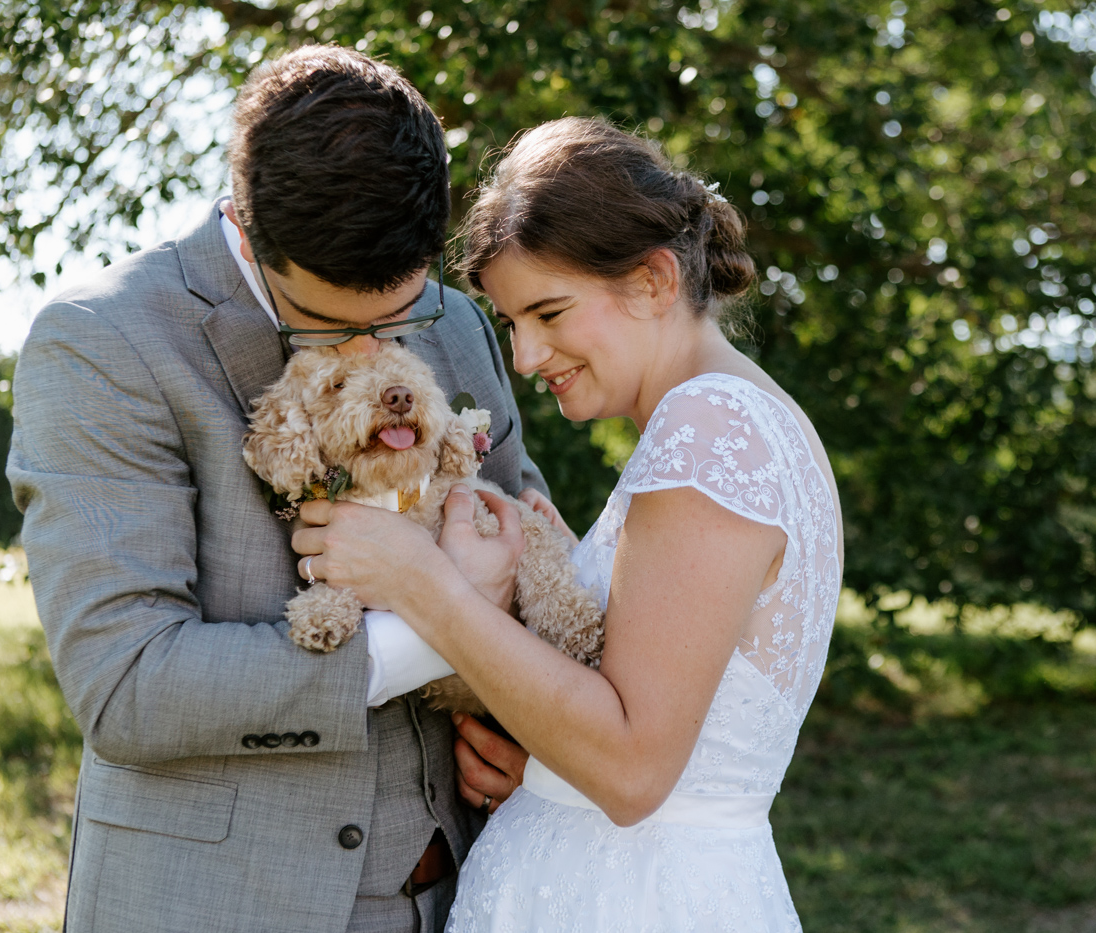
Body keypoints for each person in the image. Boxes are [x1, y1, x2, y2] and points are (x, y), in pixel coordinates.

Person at [7, 46, 554, 933]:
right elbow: (129, 683)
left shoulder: (452, 323)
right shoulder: (102, 343)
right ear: (248, 228)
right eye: (337, 322)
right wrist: (437, 619)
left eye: (399, 314)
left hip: (469, 895)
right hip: (220, 905)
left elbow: (529, 545)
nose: (380, 348)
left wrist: (542, 742)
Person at [294, 116, 844, 931]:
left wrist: (423, 584)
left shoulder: (707, 433)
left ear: (655, 281)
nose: (522, 357)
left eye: (548, 313)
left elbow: (631, 768)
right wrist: (551, 764)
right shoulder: (746, 416)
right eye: (512, 323)